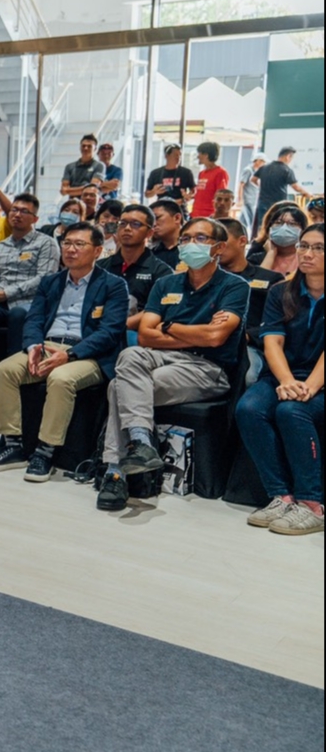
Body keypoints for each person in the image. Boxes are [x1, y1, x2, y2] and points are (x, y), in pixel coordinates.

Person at [96, 218, 249, 511]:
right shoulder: (165, 284)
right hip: (160, 358)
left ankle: (114, 473)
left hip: (207, 368)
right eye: (186, 238)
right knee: (130, 354)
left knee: (118, 387)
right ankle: (141, 442)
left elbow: (215, 338)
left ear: (218, 248)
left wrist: (168, 326)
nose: (191, 244)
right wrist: (196, 333)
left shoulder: (234, 286)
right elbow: (144, 335)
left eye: (200, 239)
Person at [0, 223, 128, 480]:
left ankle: (45, 451)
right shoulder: (51, 282)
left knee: (61, 379)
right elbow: (34, 319)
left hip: (88, 354)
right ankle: (13, 445)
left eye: (79, 244)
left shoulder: (113, 285)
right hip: (47, 346)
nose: (70, 249)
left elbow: (110, 332)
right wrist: (33, 346)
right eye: (67, 243)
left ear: (97, 251)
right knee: (4, 371)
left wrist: (69, 355)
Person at [234, 223, 325, 536]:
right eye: (304, 246)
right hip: (284, 374)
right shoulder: (281, 291)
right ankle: (281, 496)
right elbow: (272, 341)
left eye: (318, 248)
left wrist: (310, 387)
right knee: (249, 408)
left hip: (319, 380)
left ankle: (312, 504)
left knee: (291, 411)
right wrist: (286, 381)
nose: (307, 253)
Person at [0, 192, 61, 356]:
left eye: (24, 211)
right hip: (0, 302)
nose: (17, 215)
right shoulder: (0, 246)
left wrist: (7, 293)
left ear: (35, 219)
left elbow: (44, 278)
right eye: (14, 210)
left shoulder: (46, 243)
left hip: (30, 301)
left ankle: (15, 363)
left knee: (18, 313)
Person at [217, 217, 284, 383]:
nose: (217, 247)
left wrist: (247, 336)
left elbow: (279, 321)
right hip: (206, 340)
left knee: (248, 374)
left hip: (251, 345)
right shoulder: (205, 279)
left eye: (222, 241)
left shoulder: (270, 279)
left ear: (242, 241)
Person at [98, 203, 173, 332]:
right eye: (122, 223)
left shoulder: (162, 272)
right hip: (98, 329)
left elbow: (157, 308)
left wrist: (119, 326)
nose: (127, 228)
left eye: (136, 224)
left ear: (149, 233)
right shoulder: (100, 266)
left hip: (135, 333)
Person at [253, 147, 312, 233]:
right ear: (288, 156)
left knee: (262, 227)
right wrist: (307, 193)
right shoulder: (286, 170)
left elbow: (253, 179)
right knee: (277, 227)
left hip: (263, 203)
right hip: (278, 205)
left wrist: (261, 186)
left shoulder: (264, 167)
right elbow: (296, 187)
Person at [251, 202, 308, 278]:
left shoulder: (308, 258)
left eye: (292, 224)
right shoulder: (255, 259)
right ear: (269, 229)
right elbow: (256, 283)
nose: (284, 228)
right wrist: (270, 254)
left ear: (303, 230)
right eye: (278, 223)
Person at [189, 140, 229, 219]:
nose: (198, 156)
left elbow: (221, 196)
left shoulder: (220, 173)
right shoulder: (202, 173)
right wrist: (191, 196)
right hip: (196, 214)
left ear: (206, 155)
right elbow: (203, 193)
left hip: (209, 216)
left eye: (199, 153)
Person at [59, 134, 105, 200]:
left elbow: (92, 189)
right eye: (83, 146)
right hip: (73, 203)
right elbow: (63, 191)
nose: (85, 148)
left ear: (95, 148)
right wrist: (85, 187)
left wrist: (69, 190)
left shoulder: (99, 166)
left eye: (89, 146)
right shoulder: (69, 167)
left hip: (89, 203)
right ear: (80, 147)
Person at [147, 199, 184, 269]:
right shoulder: (149, 253)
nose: (153, 224)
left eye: (157, 218)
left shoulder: (193, 249)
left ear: (177, 218)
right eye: (150, 221)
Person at [242, 154, 266, 228]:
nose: (263, 164)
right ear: (257, 161)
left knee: (243, 220)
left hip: (253, 198)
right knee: (252, 220)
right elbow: (241, 184)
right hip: (248, 198)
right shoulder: (248, 170)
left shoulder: (256, 171)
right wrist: (240, 199)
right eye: (262, 161)